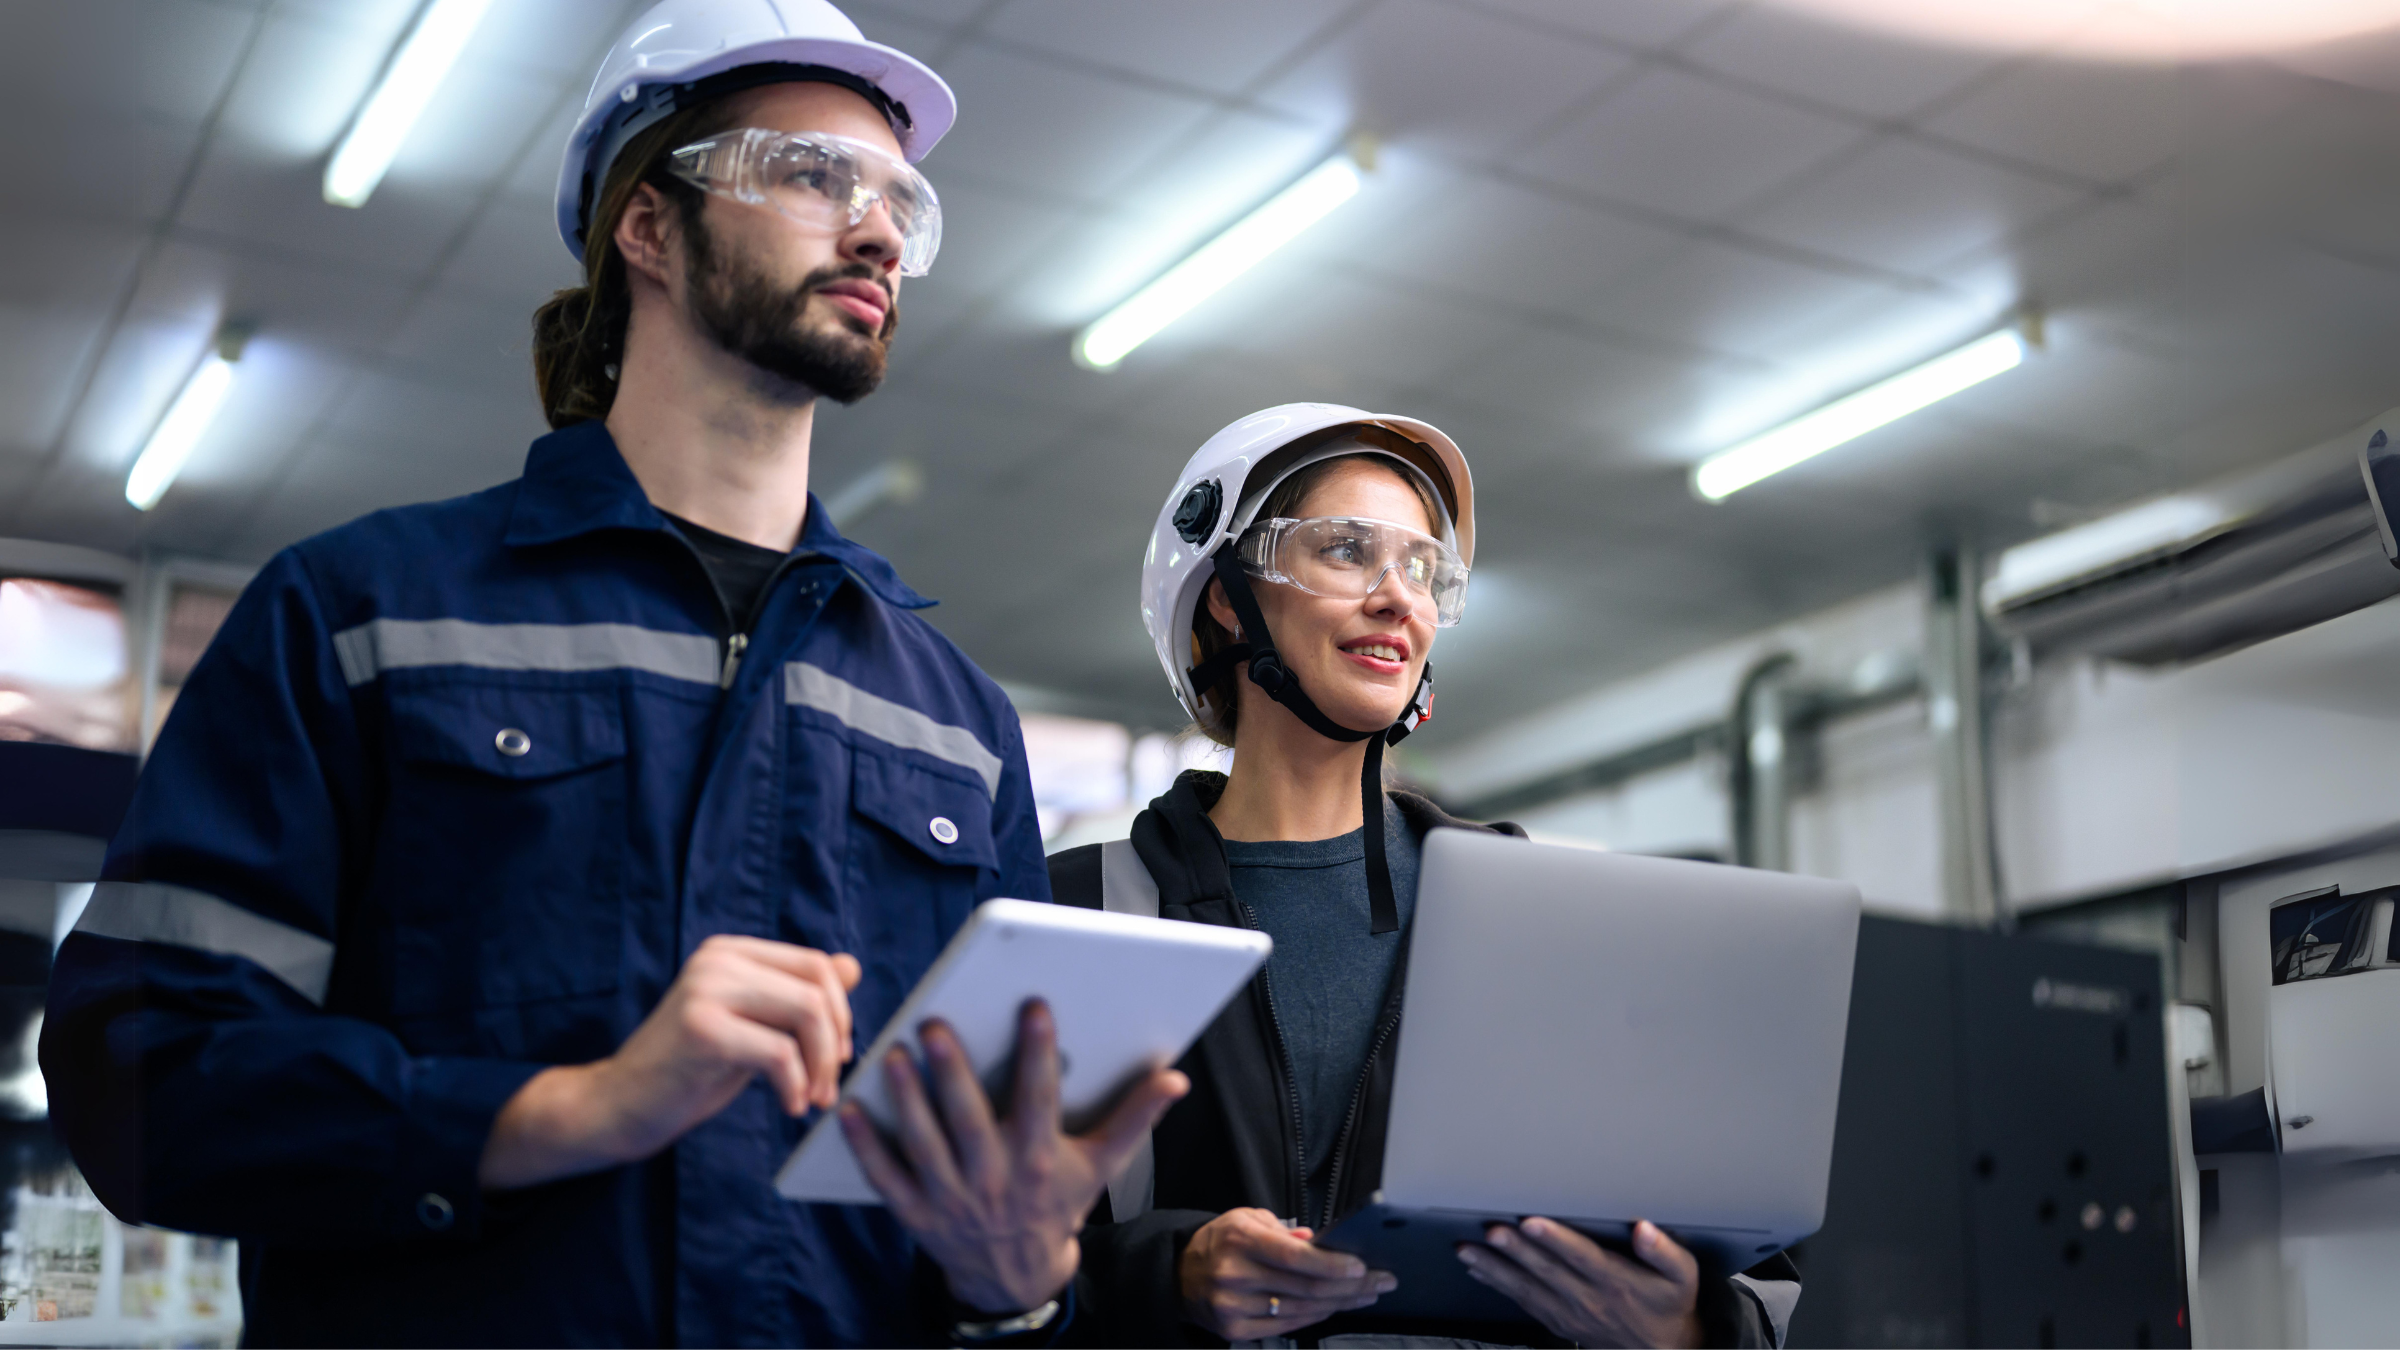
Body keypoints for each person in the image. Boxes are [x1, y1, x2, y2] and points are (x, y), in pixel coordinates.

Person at [39, 2, 1175, 1344]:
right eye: (813, 174)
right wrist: (564, 1110)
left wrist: (1018, 1284)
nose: (875, 230)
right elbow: (143, 1071)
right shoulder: (364, 615)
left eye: (896, 200)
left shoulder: (954, 721)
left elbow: (979, 1191)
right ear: (647, 223)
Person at [1046, 405, 1803, 1347]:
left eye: (1421, 568)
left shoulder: (1547, 920)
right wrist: (1171, 1274)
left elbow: (1760, 1274)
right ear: (1229, 598)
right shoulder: (1077, 910)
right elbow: (960, 1263)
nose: (1398, 597)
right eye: (1347, 551)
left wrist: (1689, 1329)